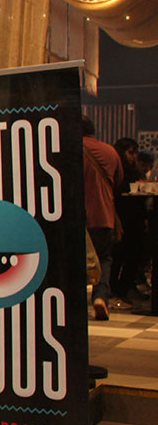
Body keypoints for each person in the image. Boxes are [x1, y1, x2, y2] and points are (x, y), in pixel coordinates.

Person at [84, 117, 124, 321]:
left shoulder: (68, 148)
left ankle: (74, 301)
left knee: (73, 259)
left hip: (77, 217)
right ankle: (100, 298)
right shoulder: (110, 151)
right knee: (104, 258)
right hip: (104, 215)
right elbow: (119, 181)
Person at [112, 137, 144, 308]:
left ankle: (121, 290)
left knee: (130, 255)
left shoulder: (133, 170)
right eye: (131, 152)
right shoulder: (118, 169)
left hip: (131, 217)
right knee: (118, 256)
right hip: (122, 216)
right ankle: (116, 291)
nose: (133, 157)